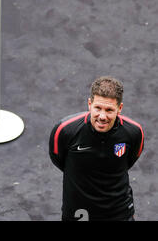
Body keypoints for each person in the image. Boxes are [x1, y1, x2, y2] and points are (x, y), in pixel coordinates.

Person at [49, 76, 145, 221]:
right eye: (98, 108)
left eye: (109, 110)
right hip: (79, 210)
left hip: (119, 210)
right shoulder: (65, 130)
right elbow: (58, 158)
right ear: (89, 104)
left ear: (120, 108)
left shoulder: (133, 132)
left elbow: (130, 160)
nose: (102, 116)